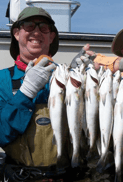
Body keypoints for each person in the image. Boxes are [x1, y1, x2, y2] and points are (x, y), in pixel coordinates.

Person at [0, 6, 71, 181]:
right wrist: (26, 92)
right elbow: (2, 135)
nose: (37, 32)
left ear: (51, 36)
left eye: (44, 28)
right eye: (29, 26)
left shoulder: (69, 79)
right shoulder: (2, 80)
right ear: (16, 33)